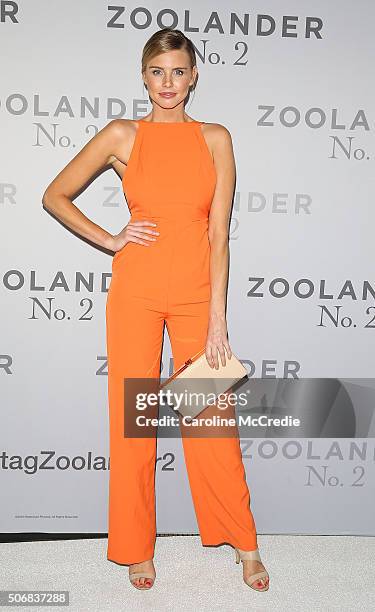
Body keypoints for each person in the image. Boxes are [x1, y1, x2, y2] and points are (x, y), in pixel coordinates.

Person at [42, 27, 269, 593]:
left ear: (194, 76)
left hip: (197, 296)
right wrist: (112, 238)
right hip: (137, 291)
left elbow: (219, 234)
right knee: (135, 424)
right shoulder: (123, 134)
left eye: (178, 71)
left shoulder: (215, 137)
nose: (168, 83)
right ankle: (135, 546)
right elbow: (55, 194)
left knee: (209, 421)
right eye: (157, 72)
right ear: (144, 77)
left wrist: (218, 317)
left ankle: (243, 542)